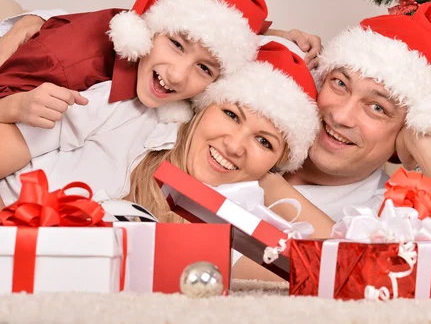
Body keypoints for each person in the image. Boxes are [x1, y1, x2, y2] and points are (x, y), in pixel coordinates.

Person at [0, 41, 334, 239]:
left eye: (265, 142)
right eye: (231, 115)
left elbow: (343, 256)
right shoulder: (125, 111)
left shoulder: (230, 214)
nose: (234, 145)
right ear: (202, 106)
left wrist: (268, 180)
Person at [259, 3, 431, 228]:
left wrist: (425, 136)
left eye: (377, 108)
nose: (341, 116)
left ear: (405, 130)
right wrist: (271, 39)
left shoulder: (392, 217)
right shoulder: (255, 116)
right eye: (340, 83)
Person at [0, 0, 270, 128]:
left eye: (204, 68)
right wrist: (17, 105)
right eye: (176, 45)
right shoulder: (65, 61)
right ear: (144, 31)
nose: (177, 75)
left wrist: (282, 35)